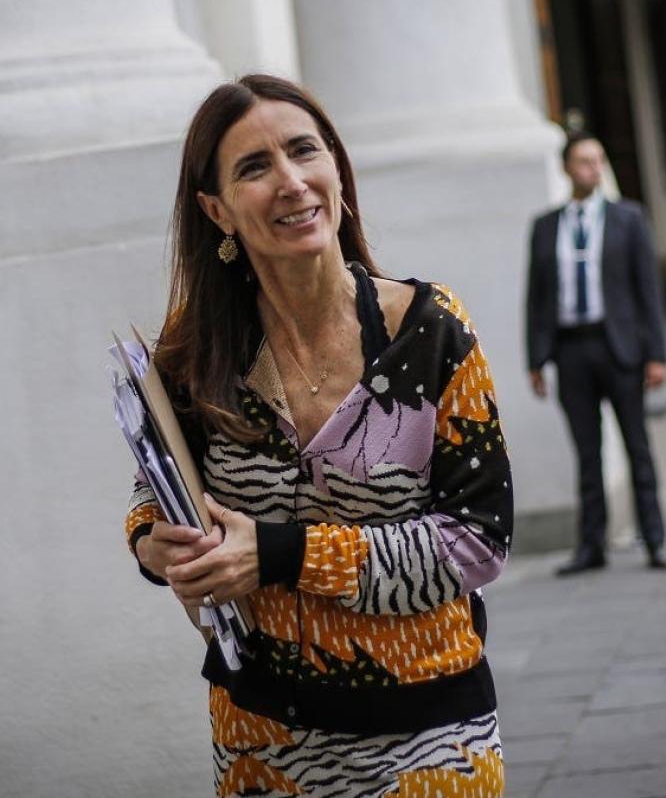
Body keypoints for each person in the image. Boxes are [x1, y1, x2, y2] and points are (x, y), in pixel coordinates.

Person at [122, 74, 513, 797]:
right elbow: (154, 488)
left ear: (335, 166)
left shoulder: (430, 331)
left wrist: (278, 553)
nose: (291, 181)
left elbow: (476, 544)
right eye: (254, 167)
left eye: (304, 151)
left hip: (430, 733)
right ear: (216, 210)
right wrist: (153, 543)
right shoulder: (194, 350)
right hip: (260, 741)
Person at [524, 131, 666, 576]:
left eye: (599, 160)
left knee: (637, 447)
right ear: (566, 168)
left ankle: (655, 539)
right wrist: (535, 359)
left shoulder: (628, 218)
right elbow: (536, 297)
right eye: (584, 161)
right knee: (587, 454)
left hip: (619, 349)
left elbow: (649, 290)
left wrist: (657, 354)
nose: (594, 168)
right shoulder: (545, 226)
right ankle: (592, 546)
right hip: (571, 351)